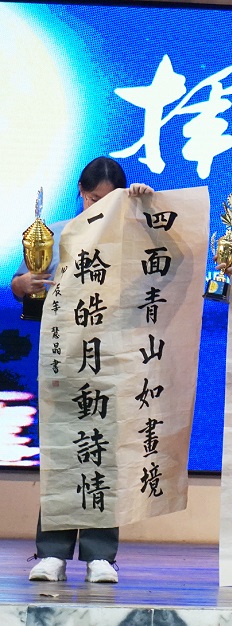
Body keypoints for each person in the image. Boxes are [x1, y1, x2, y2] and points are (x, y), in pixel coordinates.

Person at [12, 156, 153, 584]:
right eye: (93, 199)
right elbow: (21, 282)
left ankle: (100, 554)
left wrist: (146, 209)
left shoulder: (134, 235)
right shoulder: (58, 232)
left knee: (104, 454)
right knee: (62, 452)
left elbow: (171, 260)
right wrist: (23, 285)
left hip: (113, 360)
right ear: (80, 192)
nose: (99, 207)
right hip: (66, 359)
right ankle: (52, 552)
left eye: (109, 201)